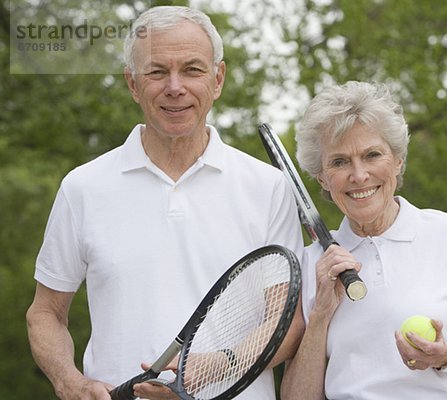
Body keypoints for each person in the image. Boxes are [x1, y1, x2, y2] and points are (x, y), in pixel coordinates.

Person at [25, 6, 304, 400]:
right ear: (133, 84)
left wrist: (208, 370)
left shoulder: (268, 186)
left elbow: (288, 321)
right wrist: (69, 381)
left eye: (192, 69)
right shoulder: (82, 187)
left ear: (218, 79)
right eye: (157, 72)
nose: (175, 87)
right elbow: (45, 313)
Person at [280, 81, 447, 399]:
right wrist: (321, 314)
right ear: (322, 177)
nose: (359, 175)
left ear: (397, 160)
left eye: (372, 155)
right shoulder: (313, 262)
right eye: (340, 162)